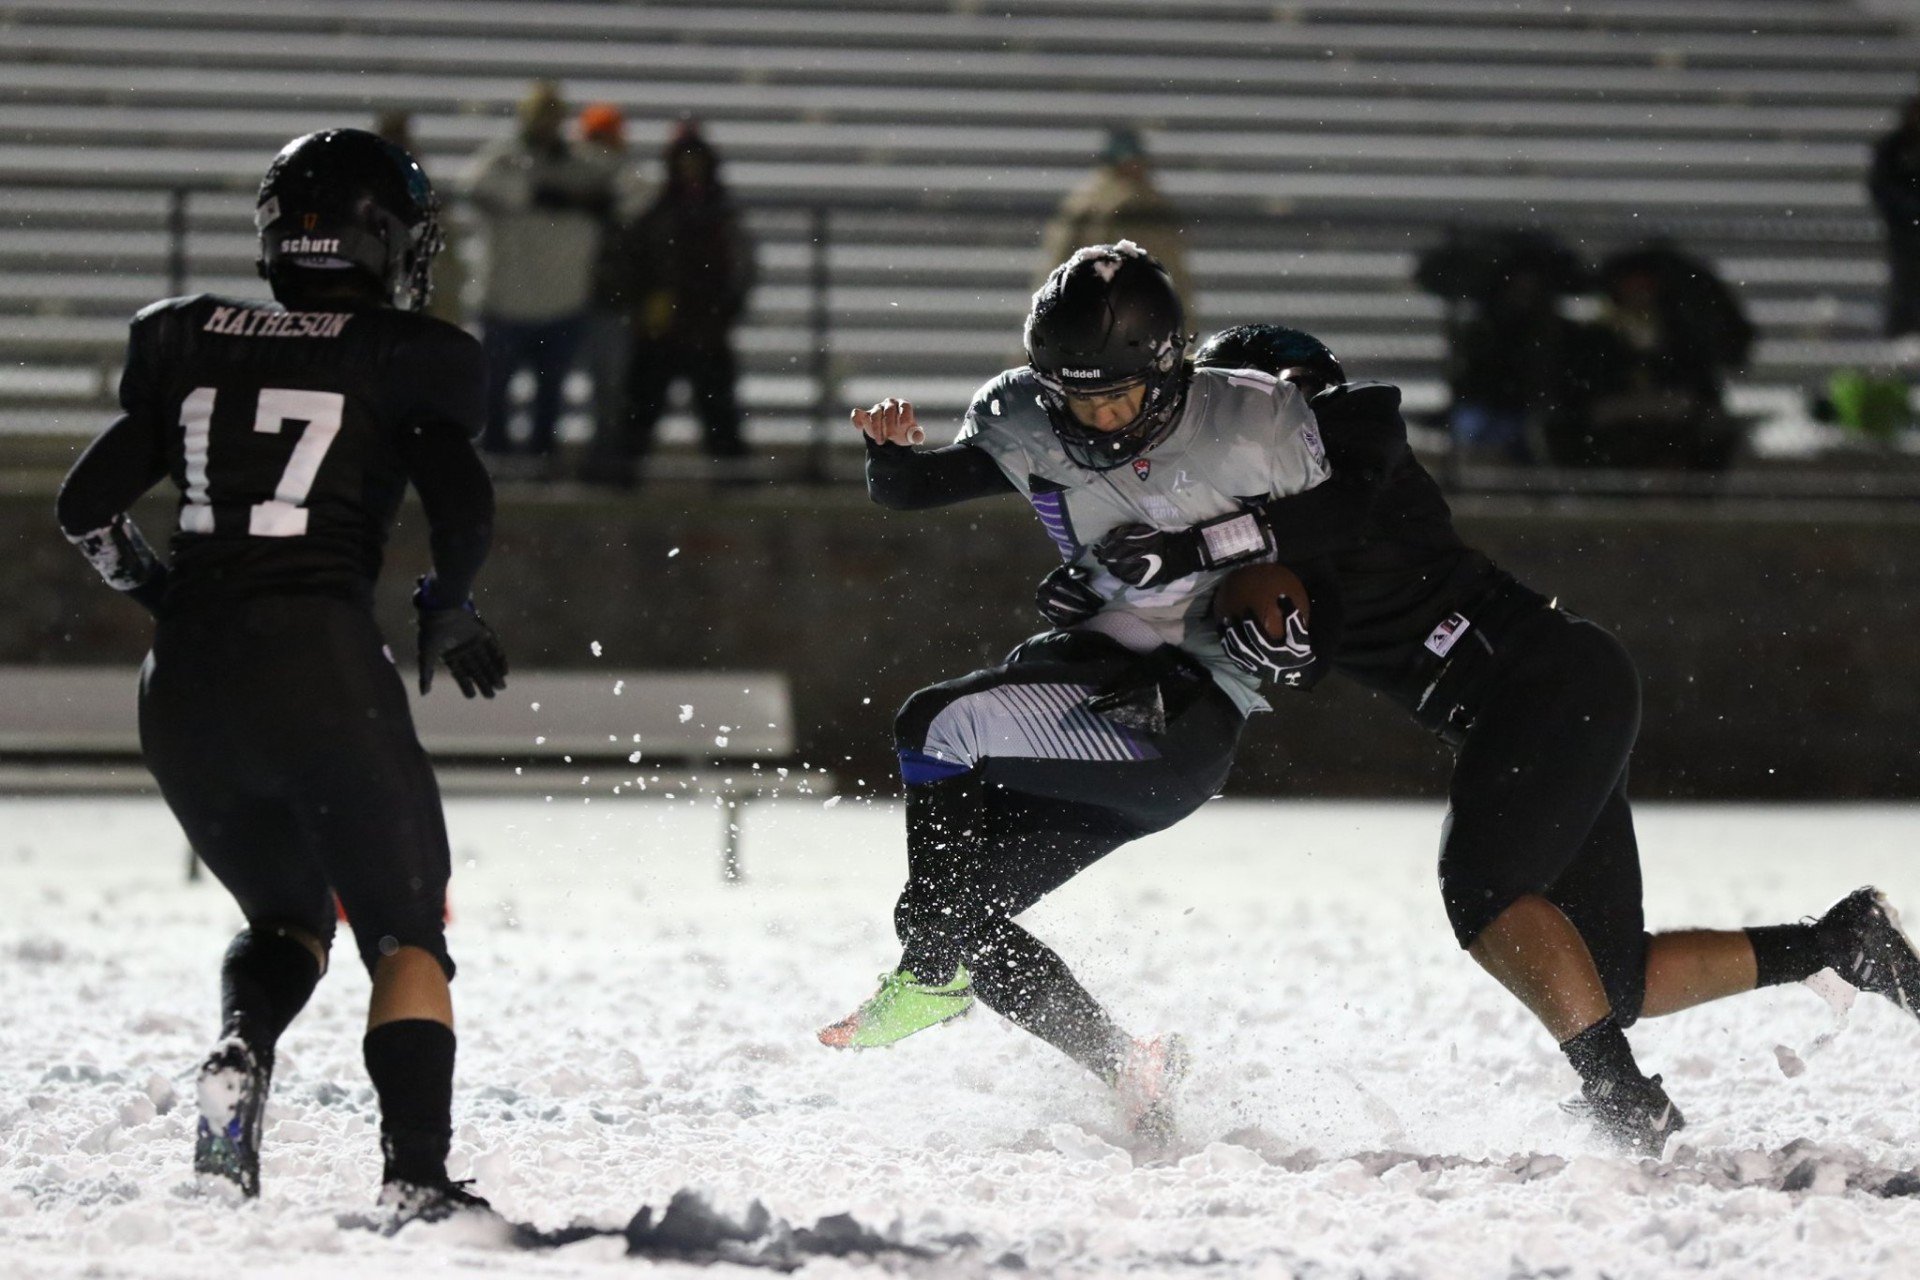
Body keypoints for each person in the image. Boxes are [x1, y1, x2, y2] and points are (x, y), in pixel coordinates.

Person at [1035, 319, 1920, 1152]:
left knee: (1485, 889)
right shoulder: (1262, 518)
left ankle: (1621, 1096)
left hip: (1545, 684)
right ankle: (1840, 944)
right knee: (1609, 982)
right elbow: (1262, 618)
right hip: (1540, 697)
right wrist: (1102, 594)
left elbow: (1298, 541)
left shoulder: (1346, 472)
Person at [54, 129, 509, 1218]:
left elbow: (84, 510)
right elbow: (464, 503)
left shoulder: (186, 337)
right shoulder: (409, 353)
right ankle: (414, 1174)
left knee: (285, 918)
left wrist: (169, 595)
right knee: (404, 931)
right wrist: (447, 605)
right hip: (319, 665)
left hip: (185, 684)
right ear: (380, 234)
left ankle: (240, 1049)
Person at [817, 242, 1331, 1139]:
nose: (1100, 417)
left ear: (1172, 368)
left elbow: (1352, 535)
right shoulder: (1024, 415)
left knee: (937, 725)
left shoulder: (1252, 424)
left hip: (1180, 713)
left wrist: (1218, 573)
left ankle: (932, 986)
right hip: (1109, 694)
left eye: (1121, 394)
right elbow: (924, 488)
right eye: (1079, 397)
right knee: (944, 910)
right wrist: (890, 460)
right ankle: (1129, 1070)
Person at [466, 80, 616, 473]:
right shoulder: (504, 160)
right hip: (506, 300)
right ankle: (496, 467)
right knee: (495, 395)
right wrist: (543, 194)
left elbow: (628, 190)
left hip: (562, 300)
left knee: (549, 399)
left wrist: (586, 197)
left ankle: (540, 466)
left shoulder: (583, 164)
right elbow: (475, 184)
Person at [606, 118, 756, 479]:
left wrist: (723, 310)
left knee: (719, 413)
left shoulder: (720, 212)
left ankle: (732, 480)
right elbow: (632, 260)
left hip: (706, 327)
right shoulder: (657, 210)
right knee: (641, 410)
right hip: (663, 327)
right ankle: (622, 477)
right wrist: (644, 304)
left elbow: (741, 267)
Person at [1040, 127, 1194, 324]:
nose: (1133, 167)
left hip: (1144, 311)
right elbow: (1059, 261)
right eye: (1127, 162)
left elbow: (1174, 268)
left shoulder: (1152, 203)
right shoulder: (1088, 203)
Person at [1869, 95, 1920, 339]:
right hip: (1904, 235)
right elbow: (1883, 188)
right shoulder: (1894, 148)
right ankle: (1901, 332)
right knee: (1905, 285)